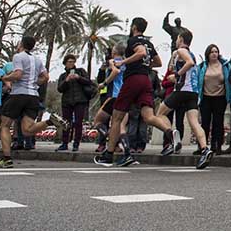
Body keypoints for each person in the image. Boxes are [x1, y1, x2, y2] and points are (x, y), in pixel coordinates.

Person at [95, 18, 176, 167]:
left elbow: (141, 52)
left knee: (117, 118)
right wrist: (145, 64)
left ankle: (109, 154)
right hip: (146, 79)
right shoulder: (149, 43)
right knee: (149, 116)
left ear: (133, 27)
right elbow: (158, 62)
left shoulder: (133, 41)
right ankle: (169, 132)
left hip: (133, 79)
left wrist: (124, 62)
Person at [0, 35, 68, 167]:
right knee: (27, 130)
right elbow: (46, 77)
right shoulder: (37, 60)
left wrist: (3, 78)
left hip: (18, 94)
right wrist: (34, 83)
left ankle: (6, 158)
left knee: (5, 125)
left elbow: (17, 74)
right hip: (33, 96)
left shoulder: (18, 56)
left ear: (21, 44)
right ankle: (50, 121)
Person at [155, 30, 214, 168]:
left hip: (182, 90)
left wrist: (176, 74)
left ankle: (172, 135)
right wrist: (173, 58)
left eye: (177, 39)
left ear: (180, 39)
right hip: (193, 93)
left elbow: (190, 63)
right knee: (194, 123)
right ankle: (205, 149)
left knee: (159, 113)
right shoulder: (186, 52)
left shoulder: (182, 51)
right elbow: (175, 65)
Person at [198, 44, 231, 154]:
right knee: (205, 123)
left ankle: (217, 145)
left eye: (216, 52)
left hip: (220, 97)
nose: (214, 54)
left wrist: (230, 96)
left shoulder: (225, 65)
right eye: (212, 52)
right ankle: (202, 146)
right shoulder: (203, 66)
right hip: (206, 97)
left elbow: (229, 80)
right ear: (208, 54)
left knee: (218, 123)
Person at [55, 54, 93, 152]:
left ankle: (76, 143)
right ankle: (64, 143)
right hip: (67, 102)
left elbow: (88, 82)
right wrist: (66, 81)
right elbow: (60, 89)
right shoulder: (63, 76)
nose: (71, 64)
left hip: (80, 101)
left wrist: (78, 78)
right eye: (69, 62)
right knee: (66, 123)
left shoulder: (81, 72)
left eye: (73, 61)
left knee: (78, 123)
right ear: (65, 63)